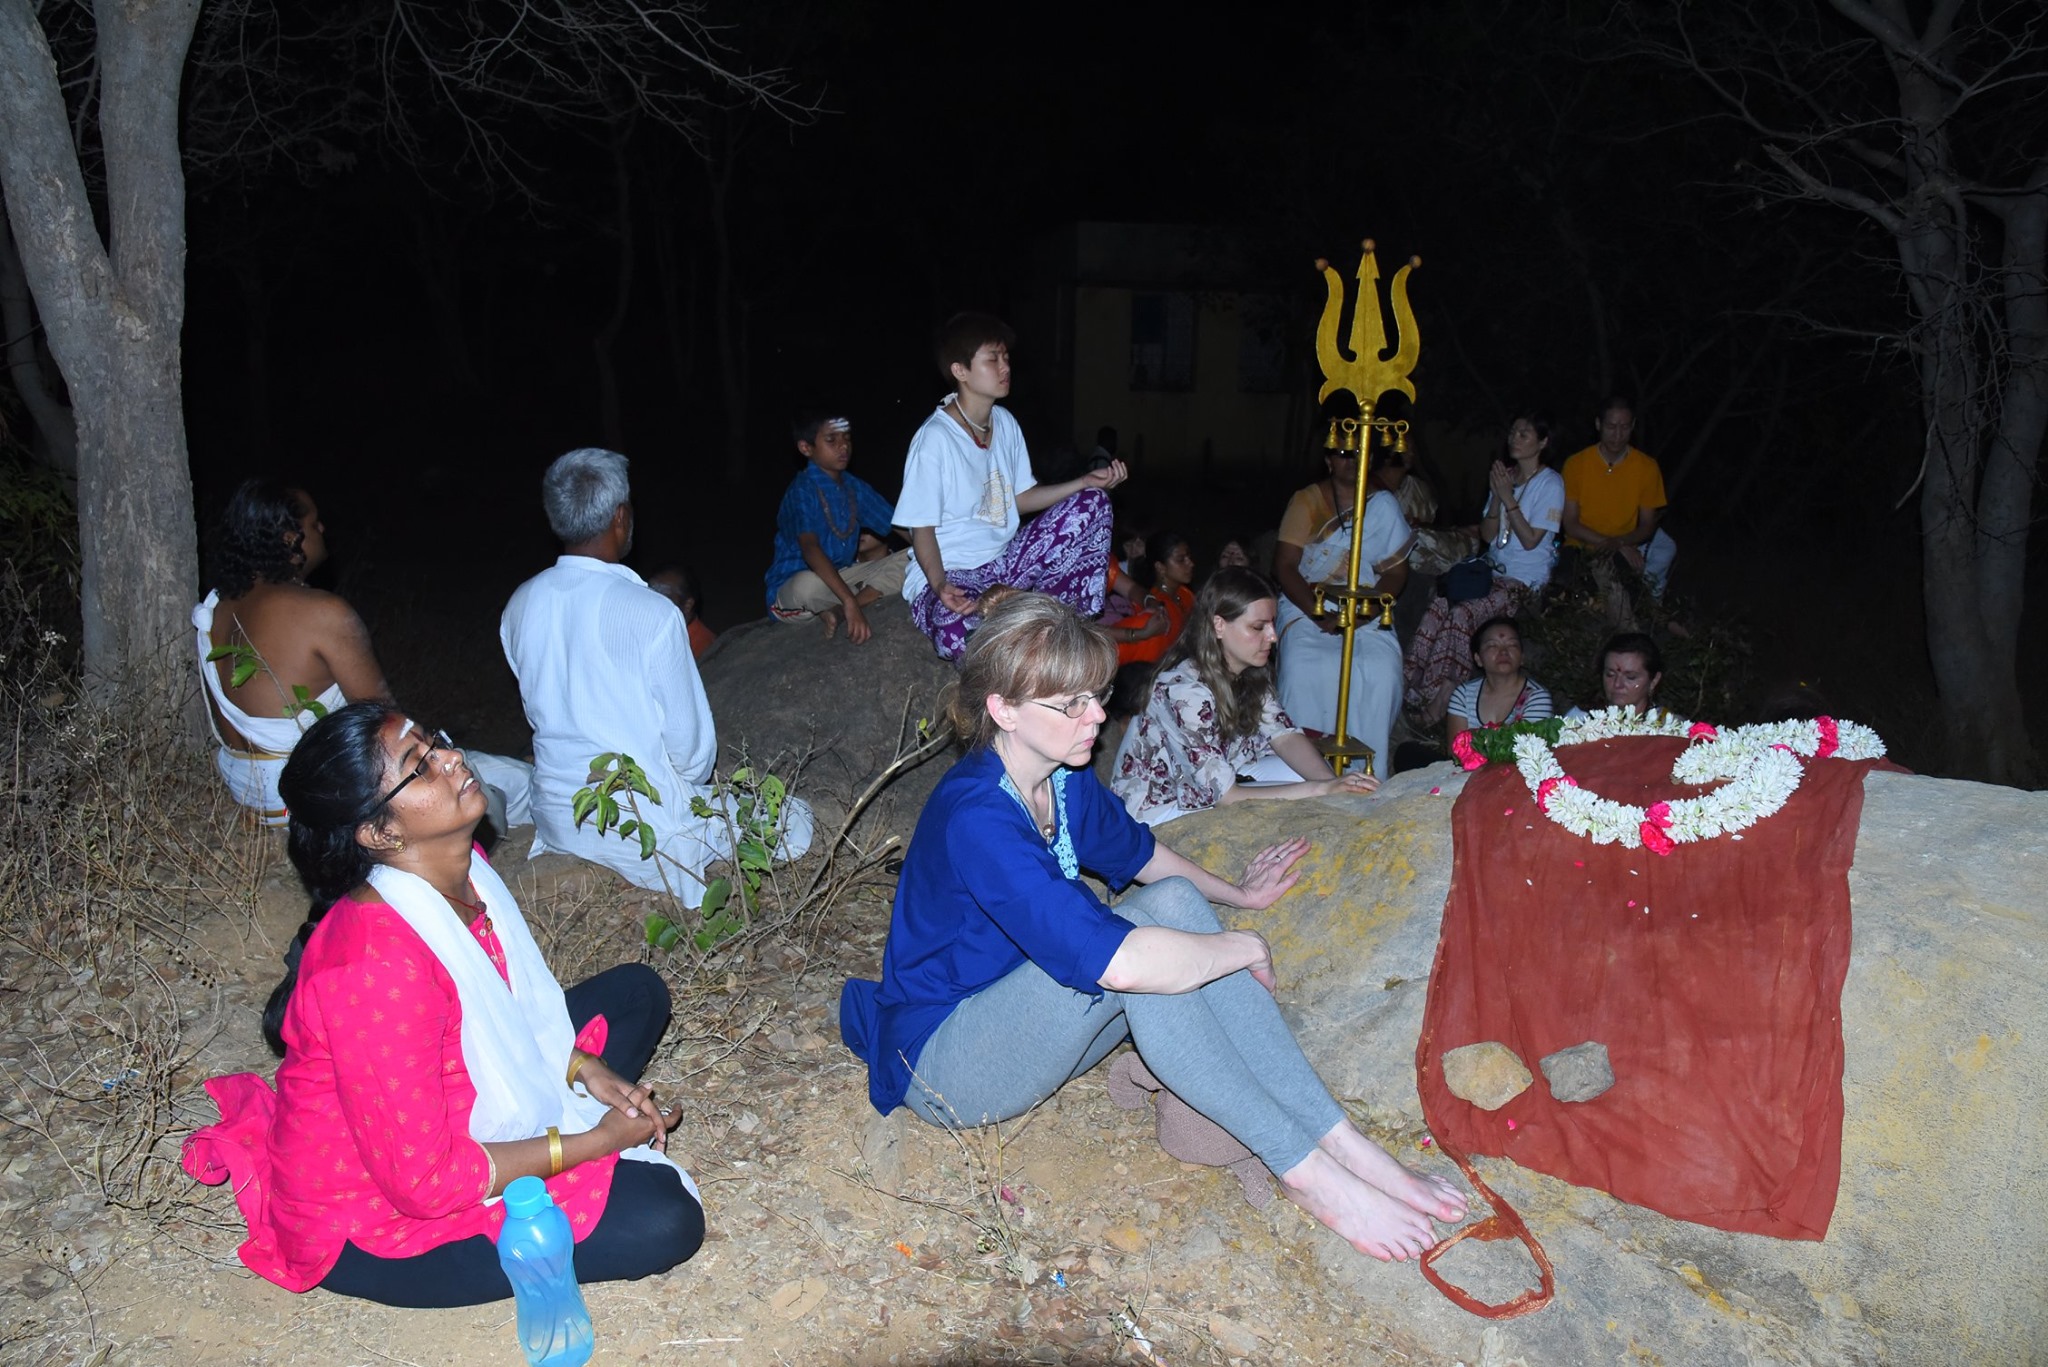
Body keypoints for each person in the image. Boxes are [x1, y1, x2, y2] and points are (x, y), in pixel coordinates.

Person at [838, 594, 1467, 1262]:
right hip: (947, 1060)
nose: (1097, 717)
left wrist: (1240, 896)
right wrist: (1241, 945)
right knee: (1145, 961)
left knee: (1169, 903)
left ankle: (1344, 1144)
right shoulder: (977, 815)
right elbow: (1123, 964)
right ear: (1004, 710)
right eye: (1071, 704)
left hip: (1024, 1012)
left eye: (1097, 695)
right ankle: (1307, 1173)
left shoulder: (1061, 775)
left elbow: (1141, 857)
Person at [181, 703, 703, 1306]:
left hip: (457, 1091)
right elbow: (425, 1185)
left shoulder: (465, 871)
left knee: (637, 992)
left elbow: (512, 1007)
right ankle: (551, 1147)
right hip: (376, 1216)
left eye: (436, 744)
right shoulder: (374, 964)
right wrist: (597, 1141)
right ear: (380, 833)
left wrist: (585, 1069)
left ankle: (547, 1123)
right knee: (664, 1220)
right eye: (420, 766)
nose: (452, 758)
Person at [501, 448, 814, 906]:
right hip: (639, 827)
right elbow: (692, 754)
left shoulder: (519, 604)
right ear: (620, 516)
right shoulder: (653, 613)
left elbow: (538, 714)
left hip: (556, 814)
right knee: (793, 818)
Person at [194, 479, 531, 830]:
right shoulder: (322, 612)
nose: (322, 529)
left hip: (248, 792)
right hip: (313, 799)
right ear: (291, 538)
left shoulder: (215, 607)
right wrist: (442, 753)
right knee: (516, 780)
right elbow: (389, 725)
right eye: (313, 522)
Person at [895, 313, 1128, 661]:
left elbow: (1019, 499)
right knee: (957, 633)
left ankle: (1060, 622)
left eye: (1006, 357)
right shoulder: (934, 439)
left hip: (1005, 565)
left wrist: (1083, 482)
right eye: (992, 359)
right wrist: (940, 584)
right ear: (960, 370)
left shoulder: (1004, 423)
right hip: (955, 572)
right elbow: (921, 528)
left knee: (1093, 502)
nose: (1005, 367)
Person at [1113, 568, 1379, 826]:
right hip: (1160, 809)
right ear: (1219, 625)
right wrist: (1321, 790)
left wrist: (1332, 786)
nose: (1273, 637)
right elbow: (1227, 797)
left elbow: (1285, 737)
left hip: (1223, 779)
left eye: (1272, 624)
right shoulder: (1183, 691)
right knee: (1305, 796)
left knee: (1305, 776)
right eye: (1258, 627)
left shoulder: (1249, 672)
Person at [1403, 411, 1567, 726]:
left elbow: (1531, 539)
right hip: (1491, 573)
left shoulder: (1550, 483)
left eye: (1524, 434)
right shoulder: (1506, 476)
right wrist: (1496, 499)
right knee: (1440, 604)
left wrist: (1508, 498)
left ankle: (1442, 698)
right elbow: (1489, 535)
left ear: (1543, 442)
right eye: (1513, 431)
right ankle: (1408, 687)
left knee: (1462, 615)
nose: (1515, 438)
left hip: (1523, 581)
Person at [1272, 443, 1415, 776]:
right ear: (1328, 461)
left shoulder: (1383, 505)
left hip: (1367, 606)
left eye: (1359, 453)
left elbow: (1396, 573)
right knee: (1305, 667)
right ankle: (1303, 774)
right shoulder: (1306, 500)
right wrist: (1320, 615)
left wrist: (1365, 613)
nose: (1352, 461)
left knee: (1380, 671)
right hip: (1308, 603)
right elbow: (1285, 566)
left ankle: (1366, 776)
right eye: (1343, 454)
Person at [763, 409, 908, 645]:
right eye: (831, 440)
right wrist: (849, 600)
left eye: (846, 438)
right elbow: (810, 549)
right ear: (806, 448)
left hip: (842, 577)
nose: (843, 446)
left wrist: (938, 558)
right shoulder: (801, 490)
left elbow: (899, 524)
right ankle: (853, 599)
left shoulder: (854, 487)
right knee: (806, 585)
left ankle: (842, 607)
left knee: (914, 557)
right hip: (795, 585)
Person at [1561, 397, 1677, 606]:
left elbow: (1647, 524)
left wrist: (1620, 543)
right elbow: (1570, 523)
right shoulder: (1576, 464)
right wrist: (1612, 543)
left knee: (1630, 601)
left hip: (1622, 550)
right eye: (1611, 427)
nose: (1617, 435)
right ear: (1599, 424)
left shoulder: (1647, 467)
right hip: (1580, 546)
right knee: (1565, 593)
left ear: (1632, 426)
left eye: (1624, 427)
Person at [1444, 617, 1555, 741]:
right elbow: (1456, 748)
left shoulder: (1536, 697)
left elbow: (1530, 748)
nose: (1503, 652)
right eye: (1492, 645)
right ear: (1478, 659)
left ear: (1522, 657)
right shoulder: (1464, 695)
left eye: (1512, 645)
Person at [649, 566, 718, 659]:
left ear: (687, 605)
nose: (653, 605)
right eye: (650, 596)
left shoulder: (703, 647)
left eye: (664, 600)